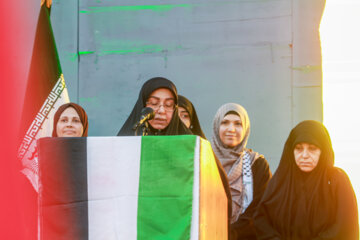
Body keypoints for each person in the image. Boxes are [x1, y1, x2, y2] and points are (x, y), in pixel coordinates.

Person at [254, 120, 359, 240]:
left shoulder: (336, 181)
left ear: (323, 151)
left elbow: (344, 226)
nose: (304, 155)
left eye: (312, 149)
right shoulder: (281, 181)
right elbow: (261, 220)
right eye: (298, 149)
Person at [211, 103, 272, 239]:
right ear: (216, 126)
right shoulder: (203, 160)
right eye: (225, 122)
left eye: (238, 124)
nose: (231, 129)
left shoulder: (257, 164)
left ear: (246, 129)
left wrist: (231, 233)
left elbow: (260, 208)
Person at [117, 77, 192, 136]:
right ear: (142, 105)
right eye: (154, 103)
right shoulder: (124, 141)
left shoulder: (189, 144)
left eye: (168, 105)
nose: (161, 111)